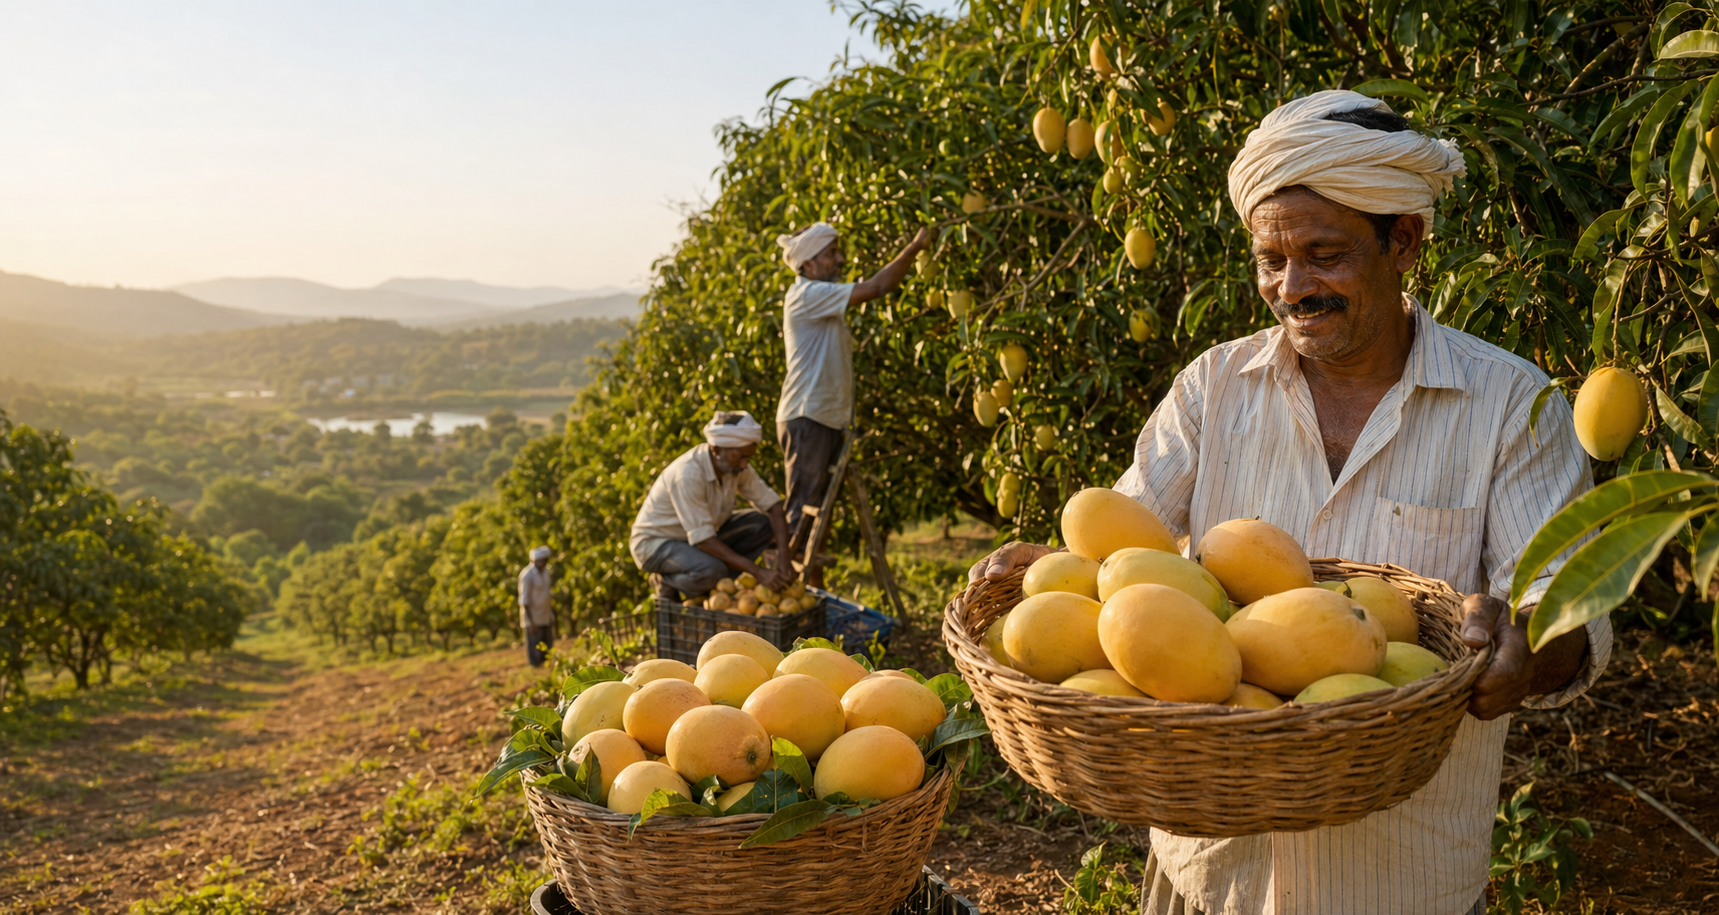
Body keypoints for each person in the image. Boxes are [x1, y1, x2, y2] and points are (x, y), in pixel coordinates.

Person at [969, 90, 1612, 915]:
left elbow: (1564, 608)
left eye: (1323, 254)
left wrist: (1524, 643)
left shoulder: (1510, 404)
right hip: (1211, 871)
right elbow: (1122, 555)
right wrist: (1052, 572)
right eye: (1269, 259)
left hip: (1401, 878)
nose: (1290, 286)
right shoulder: (1212, 388)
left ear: (1403, 240)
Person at [774, 220, 930, 584]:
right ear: (808, 264)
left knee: (817, 517)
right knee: (802, 516)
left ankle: (807, 592)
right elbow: (878, 286)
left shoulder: (817, 298)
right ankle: (782, 597)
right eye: (831, 254)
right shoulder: (807, 294)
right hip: (807, 416)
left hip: (821, 417)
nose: (839, 259)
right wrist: (914, 247)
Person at [630, 410, 793, 600]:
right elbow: (705, 540)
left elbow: (773, 506)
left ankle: (721, 585)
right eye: (739, 457)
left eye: (748, 458)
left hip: (698, 539)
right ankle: (667, 581)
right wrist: (758, 572)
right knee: (712, 571)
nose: (744, 464)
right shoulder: (688, 475)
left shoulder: (738, 466)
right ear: (716, 449)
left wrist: (784, 557)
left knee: (760, 524)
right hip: (655, 544)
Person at [518, 546, 554, 667]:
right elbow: (524, 600)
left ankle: (546, 667)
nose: (544, 563)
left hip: (545, 615)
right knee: (535, 646)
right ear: (535, 560)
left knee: (547, 645)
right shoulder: (527, 575)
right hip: (533, 618)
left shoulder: (545, 572)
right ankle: (535, 669)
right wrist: (531, 623)